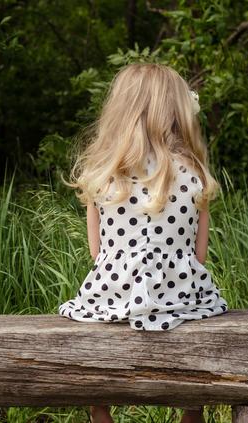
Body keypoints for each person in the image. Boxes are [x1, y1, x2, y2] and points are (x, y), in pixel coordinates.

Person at [57, 62, 229, 423]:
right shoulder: (195, 173)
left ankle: (99, 411)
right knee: (204, 310)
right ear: (176, 114)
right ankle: (191, 412)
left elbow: (96, 252)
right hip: (180, 297)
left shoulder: (102, 175)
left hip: (112, 295)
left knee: (91, 330)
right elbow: (200, 255)